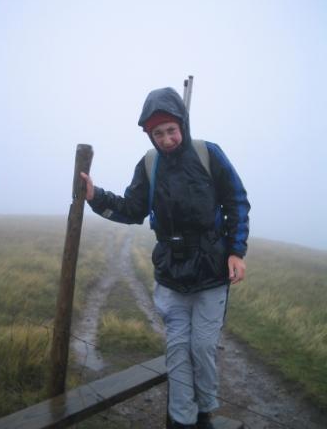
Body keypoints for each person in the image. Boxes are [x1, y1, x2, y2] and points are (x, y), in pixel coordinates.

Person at [81, 86, 250, 429]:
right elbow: (132, 209)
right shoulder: (149, 165)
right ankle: (181, 421)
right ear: (149, 134)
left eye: (171, 130)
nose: (167, 139)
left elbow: (236, 202)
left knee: (201, 348)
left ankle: (204, 412)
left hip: (211, 269)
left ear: (182, 125)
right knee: (177, 349)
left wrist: (236, 251)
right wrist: (96, 196)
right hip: (171, 270)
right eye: (157, 133)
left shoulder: (208, 154)